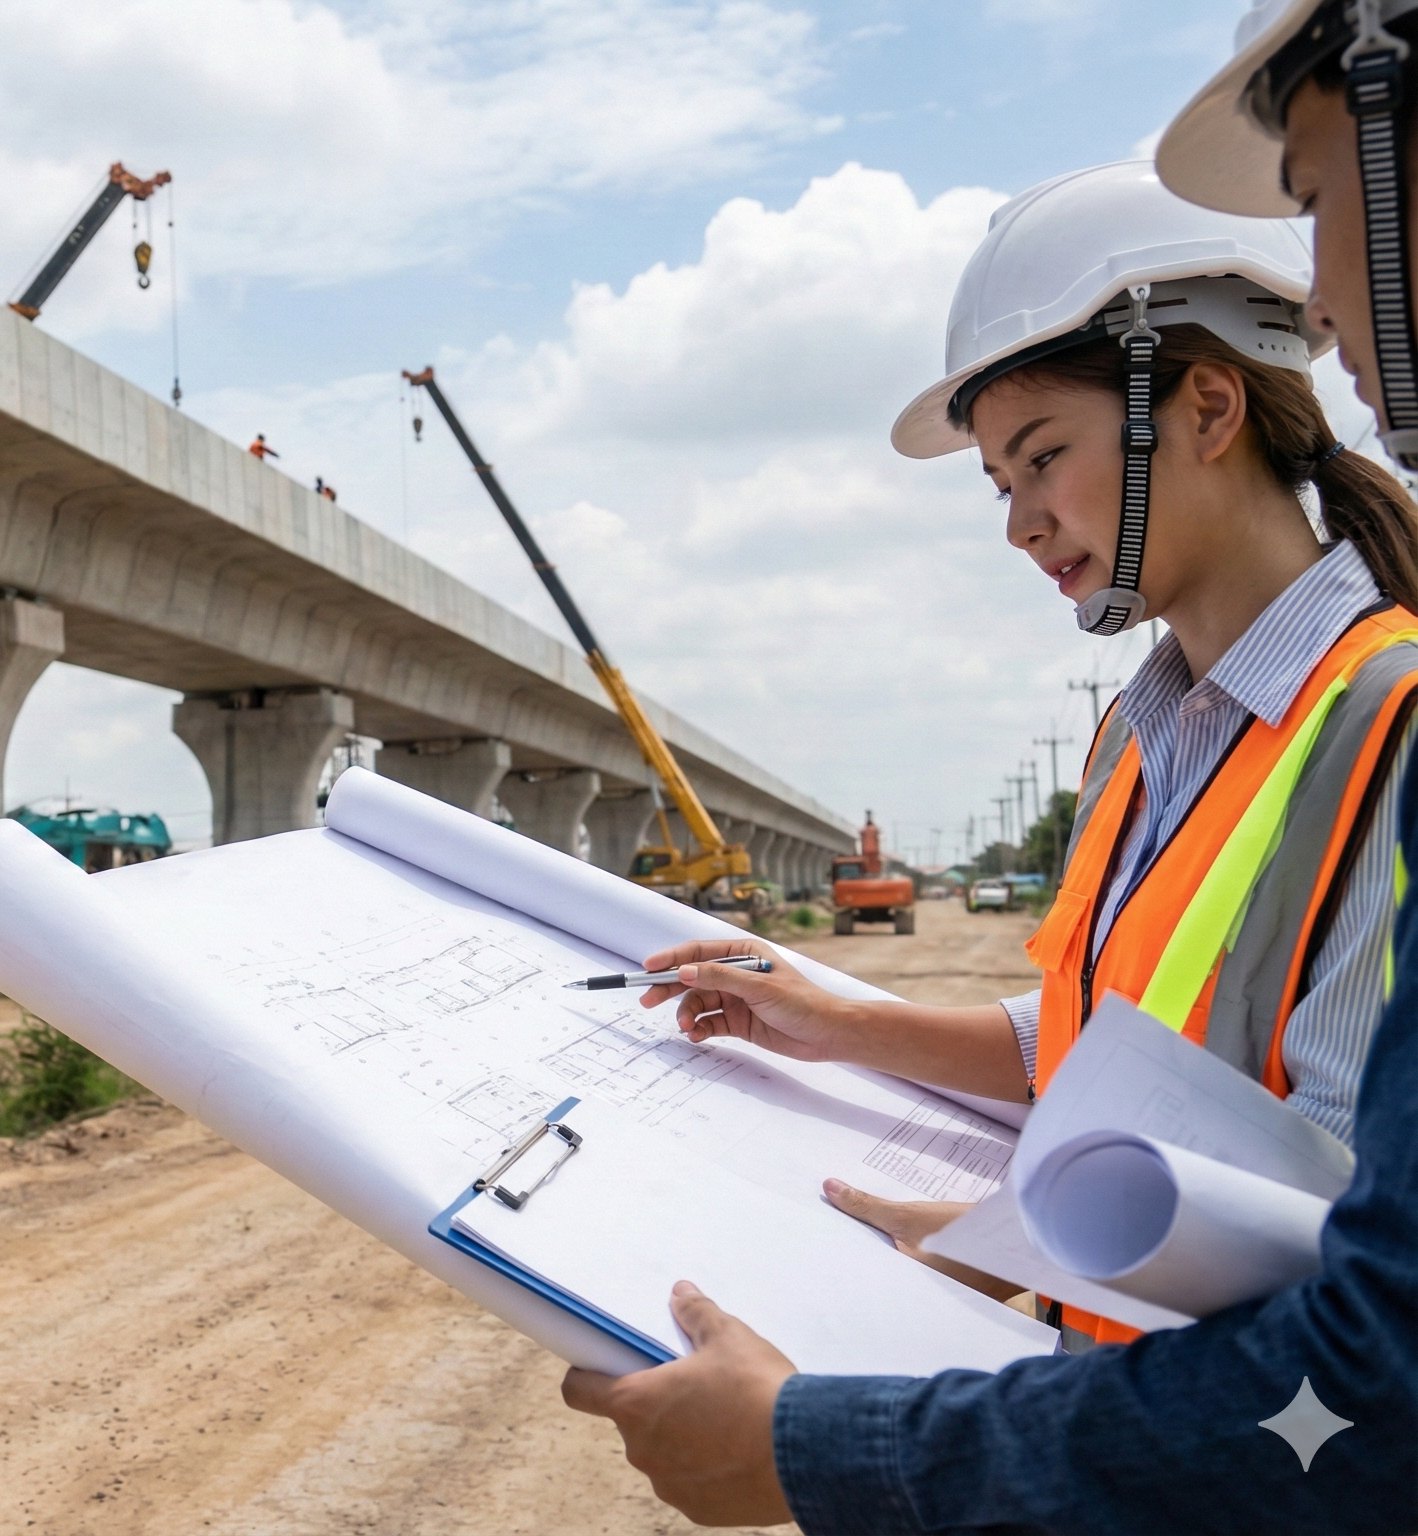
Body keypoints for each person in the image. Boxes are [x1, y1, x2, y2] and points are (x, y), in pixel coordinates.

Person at [562, 4, 1418, 1526]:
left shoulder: (1386, 722)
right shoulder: (1147, 734)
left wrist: (823, 1447)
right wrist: (845, 1024)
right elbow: (1130, 1036)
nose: (1021, 522)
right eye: (998, 481)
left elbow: (1356, 1257)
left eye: (1042, 458)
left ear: (1205, 407)